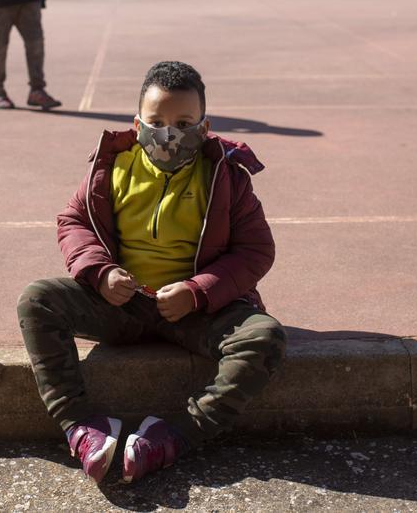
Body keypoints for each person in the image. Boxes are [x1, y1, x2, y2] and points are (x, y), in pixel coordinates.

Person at [17, 61, 287, 484]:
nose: (168, 133)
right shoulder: (113, 166)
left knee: (264, 337)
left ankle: (175, 437)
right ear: (137, 122)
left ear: (205, 125)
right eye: (157, 122)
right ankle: (81, 428)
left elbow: (255, 250)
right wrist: (101, 274)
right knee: (37, 299)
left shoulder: (227, 175)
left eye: (183, 122)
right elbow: (74, 222)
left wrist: (198, 292)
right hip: (121, 305)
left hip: (195, 313)